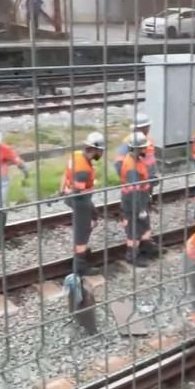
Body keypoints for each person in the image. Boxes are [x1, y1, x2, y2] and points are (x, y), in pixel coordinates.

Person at [61, 132, 105, 277]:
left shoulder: (76, 155)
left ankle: (81, 250)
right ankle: (79, 266)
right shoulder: (83, 171)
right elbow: (78, 191)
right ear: (94, 150)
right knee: (82, 233)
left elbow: (64, 174)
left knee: (94, 216)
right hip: (80, 201)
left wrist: (62, 190)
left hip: (77, 198)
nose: (101, 154)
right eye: (101, 151)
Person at [119, 132, 159, 266]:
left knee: (144, 225)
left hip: (141, 199)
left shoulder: (137, 160)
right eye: (143, 148)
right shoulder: (131, 166)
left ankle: (146, 247)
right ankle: (132, 255)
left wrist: (150, 180)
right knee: (134, 229)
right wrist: (140, 208)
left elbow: (142, 179)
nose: (145, 150)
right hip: (133, 202)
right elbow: (134, 190)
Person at [114, 112, 159, 186]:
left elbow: (151, 159)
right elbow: (118, 163)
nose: (147, 129)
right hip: (137, 182)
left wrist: (154, 174)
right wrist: (128, 180)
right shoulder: (128, 142)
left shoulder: (149, 140)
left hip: (148, 179)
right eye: (145, 127)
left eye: (148, 127)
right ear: (136, 128)